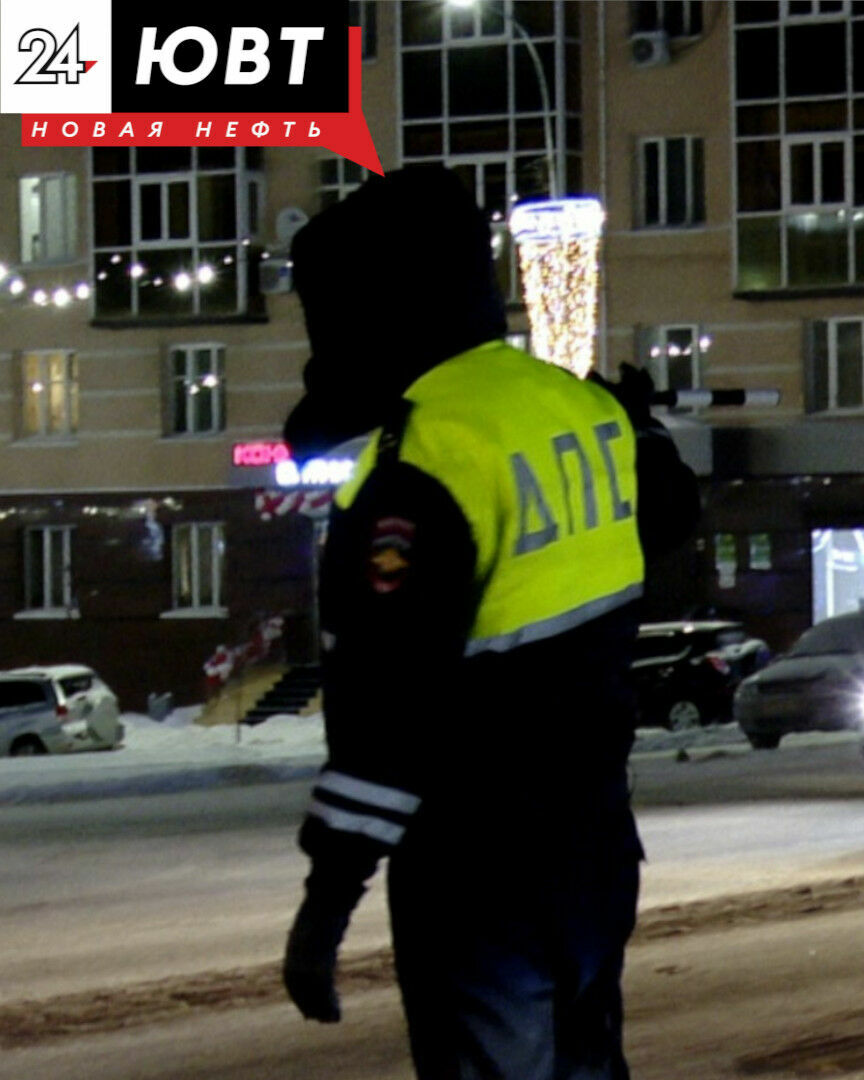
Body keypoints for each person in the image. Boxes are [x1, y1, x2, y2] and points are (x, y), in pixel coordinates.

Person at [280, 166, 699, 1079]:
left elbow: (387, 706)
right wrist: (644, 425)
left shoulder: (419, 462)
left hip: (479, 870)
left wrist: (328, 899)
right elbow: (669, 512)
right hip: (593, 846)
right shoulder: (576, 408)